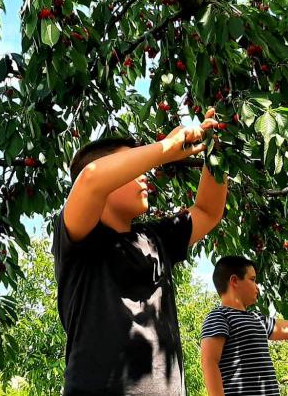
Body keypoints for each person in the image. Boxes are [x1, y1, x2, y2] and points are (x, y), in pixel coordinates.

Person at [52, 111, 229, 395]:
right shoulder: (78, 240)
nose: (145, 176)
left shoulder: (156, 239)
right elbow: (91, 179)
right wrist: (165, 149)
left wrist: (218, 146)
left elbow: (208, 211)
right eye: (134, 168)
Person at [201, 256, 288, 396]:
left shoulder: (258, 319)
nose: (257, 286)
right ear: (234, 281)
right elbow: (209, 361)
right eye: (252, 279)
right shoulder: (219, 316)